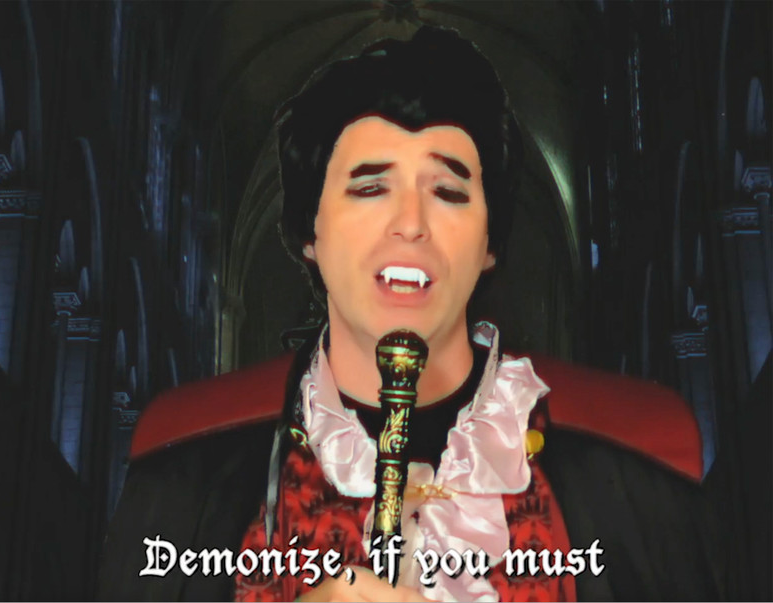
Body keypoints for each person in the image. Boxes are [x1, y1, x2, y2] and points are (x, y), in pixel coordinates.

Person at [98, 26, 724, 602]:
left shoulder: (635, 484)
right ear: (309, 233)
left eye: (448, 192)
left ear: (489, 243)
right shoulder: (181, 485)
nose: (410, 223)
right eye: (370, 188)